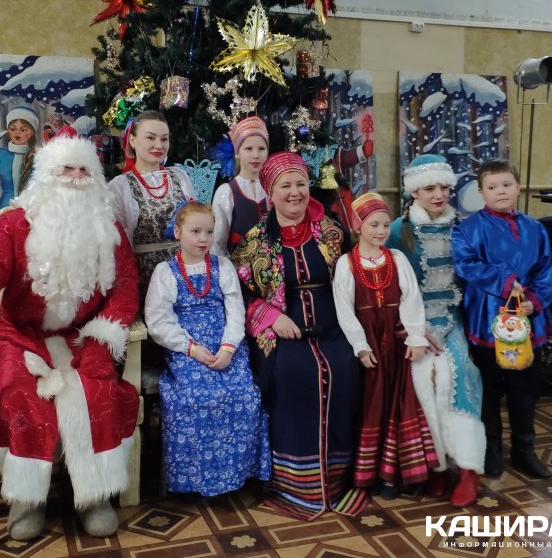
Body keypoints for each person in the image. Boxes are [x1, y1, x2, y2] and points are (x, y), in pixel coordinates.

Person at [0, 136, 140, 540]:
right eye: (66, 169)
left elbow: (125, 287)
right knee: (17, 392)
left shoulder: (109, 228)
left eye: (85, 170)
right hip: (22, 338)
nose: (76, 177)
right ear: (47, 176)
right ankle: (27, 496)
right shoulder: (13, 224)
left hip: (81, 338)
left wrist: (102, 338)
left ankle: (94, 493)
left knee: (98, 390)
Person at [232, 152, 367, 520]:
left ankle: (339, 479)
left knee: (344, 368)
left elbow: (357, 276)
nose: (295, 193)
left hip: (333, 325)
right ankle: (294, 483)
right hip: (282, 330)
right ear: (270, 193)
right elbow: (238, 293)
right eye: (285, 186)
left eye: (301, 184)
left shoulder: (333, 232)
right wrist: (270, 316)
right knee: (291, 373)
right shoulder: (255, 242)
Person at [145, 201, 271, 496]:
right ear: (178, 232)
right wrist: (191, 348)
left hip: (224, 344)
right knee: (193, 398)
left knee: (245, 394)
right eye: (196, 231)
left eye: (209, 232)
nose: (203, 239)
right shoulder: (165, 272)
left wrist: (228, 348)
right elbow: (158, 321)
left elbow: (235, 310)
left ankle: (240, 473)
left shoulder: (223, 266)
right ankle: (192, 480)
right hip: (187, 348)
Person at [386, 154, 485, 507]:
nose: (439, 195)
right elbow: (387, 286)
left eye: (444, 187)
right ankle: (433, 465)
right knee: (422, 376)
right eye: (430, 188)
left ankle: (469, 469)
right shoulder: (397, 231)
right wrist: (409, 328)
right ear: (415, 191)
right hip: (414, 323)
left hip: (455, 319)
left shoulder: (463, 228)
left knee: (459, 372)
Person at [452, 159, 552, 480]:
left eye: (506, 185)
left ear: (518, 187)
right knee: (489, 391)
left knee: (524, 390)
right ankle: (491, 450)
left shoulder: (536, 230)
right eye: (492, 187)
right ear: (481, 192)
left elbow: (546, 270)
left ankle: (524, 450)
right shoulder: (467, 229)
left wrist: (534, 301)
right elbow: (465, 265)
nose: (500, 192)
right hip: (487, 321)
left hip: (527, 323)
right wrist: (506, 281)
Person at [333, 191, 438, 500]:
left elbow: (411, 299)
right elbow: (344, 309)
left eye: (384, 224)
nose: (381, 231)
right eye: (373, 224)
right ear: (358, 226)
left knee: (400, 401)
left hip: (396, 341)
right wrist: (360, 345)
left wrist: (416, 336)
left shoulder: (397, 259)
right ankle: (371, 473)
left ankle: (398, 473)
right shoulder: (346, 264)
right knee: (372, 403)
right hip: (370, 342)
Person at [109, 110, 196, 295]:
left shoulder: (179, 176)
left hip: (185, 273)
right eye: (150, 138)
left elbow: (196, 224)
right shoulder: (119, 186)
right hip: (145, 281)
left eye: (164, 139)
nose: (159, 145)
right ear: (132, 140)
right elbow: (119, 246)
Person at [211, 116, 270, 256]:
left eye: (261, 149)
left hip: (273, 264)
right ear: (237, 153)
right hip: (237, 265)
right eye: (248, 149)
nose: (256, 155)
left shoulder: (273, 189)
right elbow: (218, 243)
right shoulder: (227, 192)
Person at [0, 106, 40, 212]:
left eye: (23, 129)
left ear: (31, 133)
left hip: (31, 209)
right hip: (5, 207)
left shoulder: (38, 158)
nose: (17, 133)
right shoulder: (3, 156)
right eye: (13, 129)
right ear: (8, 131)